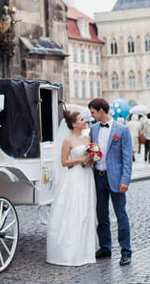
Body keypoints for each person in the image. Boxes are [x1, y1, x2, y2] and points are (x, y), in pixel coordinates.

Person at [46, 110, 97, 266]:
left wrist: (92, 159)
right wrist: (80, 159)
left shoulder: (88, 138)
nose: (85, 121)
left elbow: (92, 156)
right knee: (75, 210)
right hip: (75, 177)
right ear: (74, 124)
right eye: (82, 119)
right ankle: (70, 251)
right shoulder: (68, 140)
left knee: (87, 211)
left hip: (87, 176)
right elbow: (63, 162)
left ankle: (86, 251)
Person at [89, 98, 133, 266]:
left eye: (93, 112)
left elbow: (127, 158)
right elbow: (93, 151)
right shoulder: (93, 129)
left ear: (101, 111)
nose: (92, 116)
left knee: (121, 215)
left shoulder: (121, 130)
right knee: (102, 215)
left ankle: (126, 251)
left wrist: (125, 180)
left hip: (115, 179)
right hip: (98, 177)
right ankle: (105, 247)